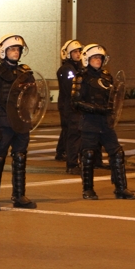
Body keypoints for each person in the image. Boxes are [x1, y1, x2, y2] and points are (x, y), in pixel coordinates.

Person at [72, 44, 135, 201]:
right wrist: (96, 109)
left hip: (105, 123)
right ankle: (88, 189)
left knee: (117, 153)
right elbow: (75, 102)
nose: (98, 61)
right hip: (89, 122)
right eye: (95, 58)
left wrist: (112, 107)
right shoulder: (81, 78)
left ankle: (121, 188)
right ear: (87, 59)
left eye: (100, 58)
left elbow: (114, 97)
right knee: (88, 155)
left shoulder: (107, 76)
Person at [0, 34, 38, 211]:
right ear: (4, 52)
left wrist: (30, 118)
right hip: (3, 123)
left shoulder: (26, 73)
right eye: (12, 49)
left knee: (20, 157)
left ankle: (19, 195)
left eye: (18, 49)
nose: (15, 52)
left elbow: (33, 98)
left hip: (21, 122)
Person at [56, 39, 83, 174]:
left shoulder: (78, 67)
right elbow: (70, 88)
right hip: (68, 105)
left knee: (69, 131)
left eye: (79, 51)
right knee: (71, 132)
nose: (78, 54)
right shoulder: (67, 69)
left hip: (72, 106)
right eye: (75, 52)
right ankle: (70, 161)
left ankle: (61, 152)